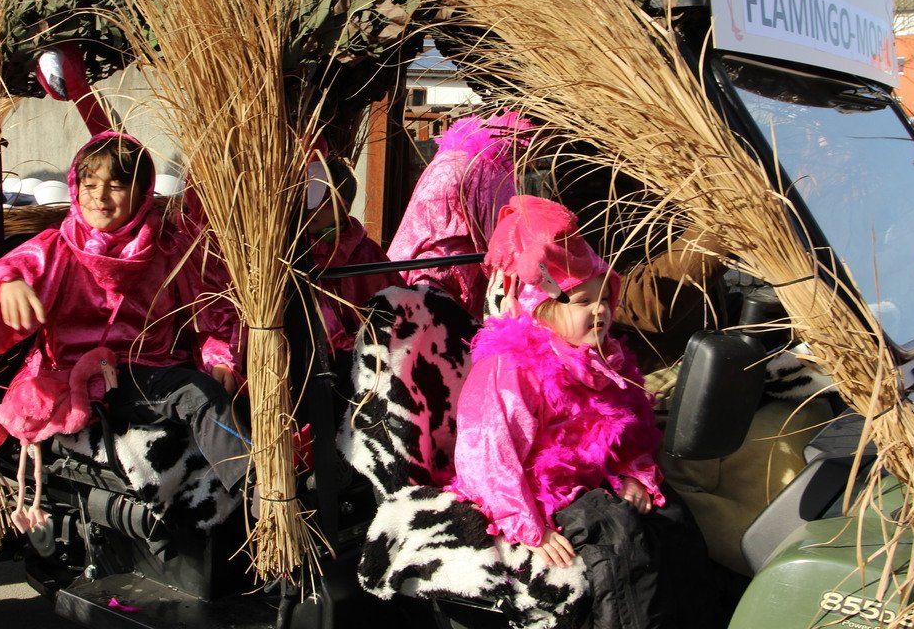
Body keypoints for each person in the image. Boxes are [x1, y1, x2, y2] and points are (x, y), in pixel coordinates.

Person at [0, 133, 247, 532]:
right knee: (196, 395)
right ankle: (258, 496)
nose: (100, 197)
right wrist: (6, 281)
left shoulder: (169, 247)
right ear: (75, 187)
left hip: (149, 369)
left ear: (142, 193)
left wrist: (221, 358)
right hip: (74, 378)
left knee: (214, 394)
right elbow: (0, 271)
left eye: (116, 185)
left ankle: (254, 496)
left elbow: (209, 312)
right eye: (90, 184)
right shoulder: (58, 246)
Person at [448, 194, 713, 629]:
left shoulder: (607, 359)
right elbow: (488, 457)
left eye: (604, 298)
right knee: (615, 540)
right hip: (536, 497)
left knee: (672, 518)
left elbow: (629, 426)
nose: (600, 310)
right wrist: (531, 529)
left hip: (597, 482)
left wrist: (636, 474)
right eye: (582, 302)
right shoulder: (509, 369)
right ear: (540, 310)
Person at [387, 111, 531, 317]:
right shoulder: (490, 168)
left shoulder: (448, 158)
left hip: (408, 270)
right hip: (447, 280)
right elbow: (501, 239)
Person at [302, 156, 403, 355]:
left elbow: (393, 316)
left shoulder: (365, 253)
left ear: (343, 208)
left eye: (325, 201)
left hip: (360, 358)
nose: (313, 209)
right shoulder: (289, 251)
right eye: (307, 198)